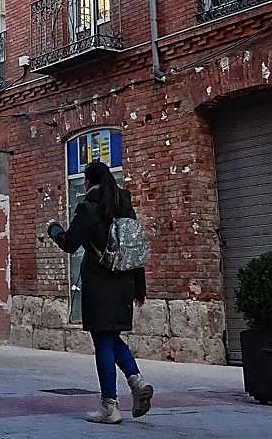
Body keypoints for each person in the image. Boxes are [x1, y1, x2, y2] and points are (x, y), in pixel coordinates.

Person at [47, 162, 154, 424]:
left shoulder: (89, 208)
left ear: (87, 181)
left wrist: (54, 229)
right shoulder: (125, 206)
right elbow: (135, 250)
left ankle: (110, 406)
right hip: (125, 282)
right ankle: (137, 381)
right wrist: (139, 288)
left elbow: (70, 243)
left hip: (100, 283)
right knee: (112, 336)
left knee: (103, 341)